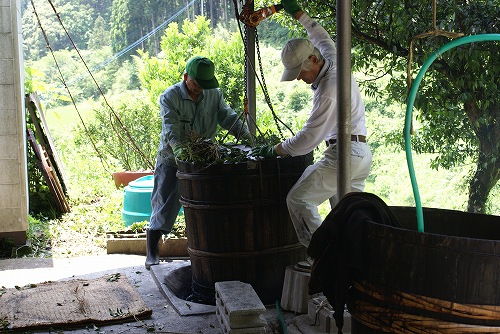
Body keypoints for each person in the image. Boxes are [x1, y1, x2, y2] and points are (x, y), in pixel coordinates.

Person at [252, 1, 373, 254]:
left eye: (300, 73)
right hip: (361, 153)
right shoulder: (331, 57)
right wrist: (297, 12)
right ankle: (353, 268)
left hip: (344, 155)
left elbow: (309, 139)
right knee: (347, 218)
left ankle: (323, 259)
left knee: (298, 199)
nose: (299, 79)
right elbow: (319, 33)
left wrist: (276, 150)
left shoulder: (329, 89)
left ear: (313, 60)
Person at [146, 56, 250, 269]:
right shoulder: (170, 97)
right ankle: (152, 251)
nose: (201, 89)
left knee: (205, 204)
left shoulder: (213, 94)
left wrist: (249, 138)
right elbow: (171, 130)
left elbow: (229, 118)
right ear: (186, 78)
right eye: (197, 84)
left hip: (204, 159)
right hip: (172, 159)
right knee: (164, 203)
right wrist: (181, 153)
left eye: (205, 85)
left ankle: (205, 248)